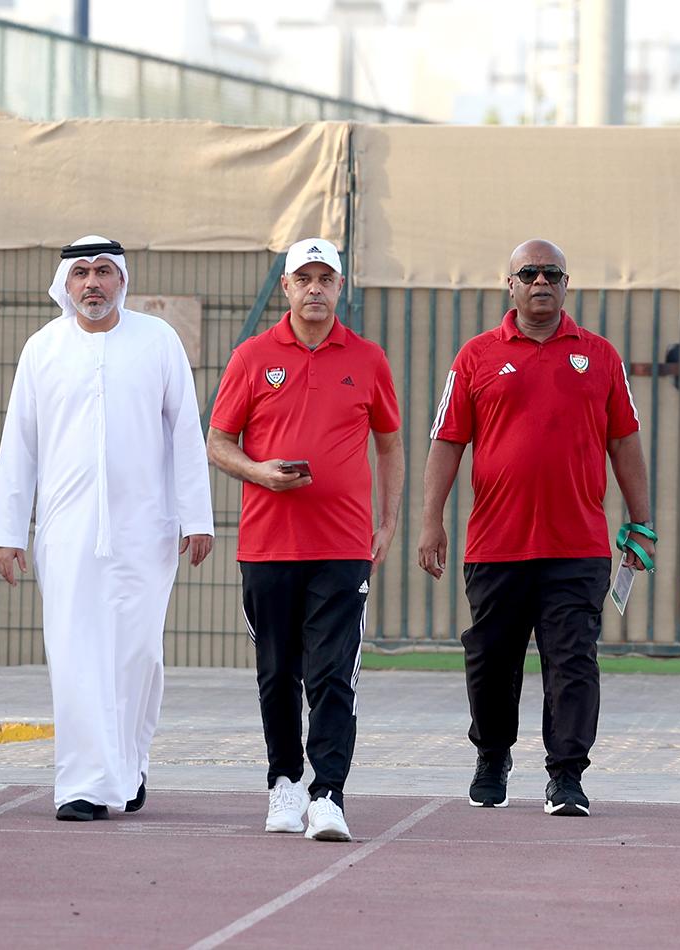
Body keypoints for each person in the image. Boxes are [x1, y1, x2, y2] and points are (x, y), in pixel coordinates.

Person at [419, 239, 653, 818]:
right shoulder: (474, 356)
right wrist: (431, 522)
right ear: (511, 284)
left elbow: (624, 441)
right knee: (492, 659)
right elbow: (448, 443)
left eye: (552, 273)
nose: (541, 281)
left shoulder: (599, 356)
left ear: (566, 284)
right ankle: (492, 756)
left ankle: (567, 776)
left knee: (573, 659)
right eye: (529, 273)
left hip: (578, 546)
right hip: (496, 544)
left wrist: (641, 523)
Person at [0, 236, 215, 822]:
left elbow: (186, 434)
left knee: (137, 656)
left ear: (122, 281)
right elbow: (19, 444)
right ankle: (83, 785)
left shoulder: (157, 340)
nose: (93, 283)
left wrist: (197, 518)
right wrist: (7, 530)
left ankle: (129, 765)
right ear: (65, 284)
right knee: (75, 655)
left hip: (148, 530)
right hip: (66, 533)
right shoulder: (43, 348)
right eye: (82, 273)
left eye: (105, 272)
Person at [207, 237, 403, 843]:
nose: (315, 288)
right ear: (286, 287)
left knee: (332, 674)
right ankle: (284, 784)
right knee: (276, 673)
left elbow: (391, 444)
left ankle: (329, 794)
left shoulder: (368, 358)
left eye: (326, 278)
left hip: (343, 546)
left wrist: (389, 522)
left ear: (340, 287)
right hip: (267, 546)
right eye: (304, 278)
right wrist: (260, 473)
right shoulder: (252, 355)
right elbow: (218, 442)